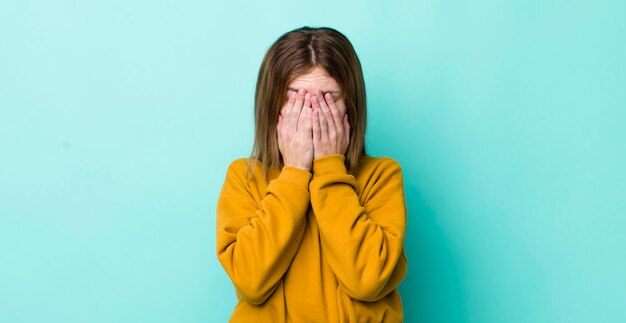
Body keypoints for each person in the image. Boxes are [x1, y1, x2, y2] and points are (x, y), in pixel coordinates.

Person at [216, 26, 408, 322]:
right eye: (296, 99)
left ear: (351, 108)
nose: (311, 113)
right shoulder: (245, 177)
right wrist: (294, 172)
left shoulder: (381, 176)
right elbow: (251, 282)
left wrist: (330, 167)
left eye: (328, 98)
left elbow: (367, 281)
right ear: (271, 106)